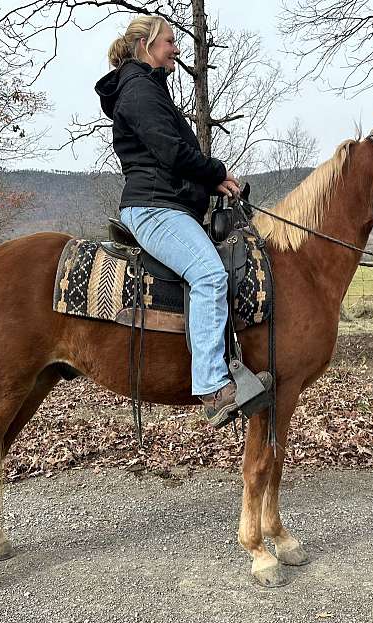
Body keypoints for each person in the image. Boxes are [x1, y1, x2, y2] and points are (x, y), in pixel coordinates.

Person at [95, 15, 271, 429]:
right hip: (155, 209)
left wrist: (213, 184)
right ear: (146, 47)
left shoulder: (148, 89)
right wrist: (216, 172)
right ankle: (213, 388)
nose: (175, 49)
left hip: (167, 203)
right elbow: (172, 153)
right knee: (210, 274)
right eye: (169, 42)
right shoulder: (139, 90)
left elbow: (171, 160)